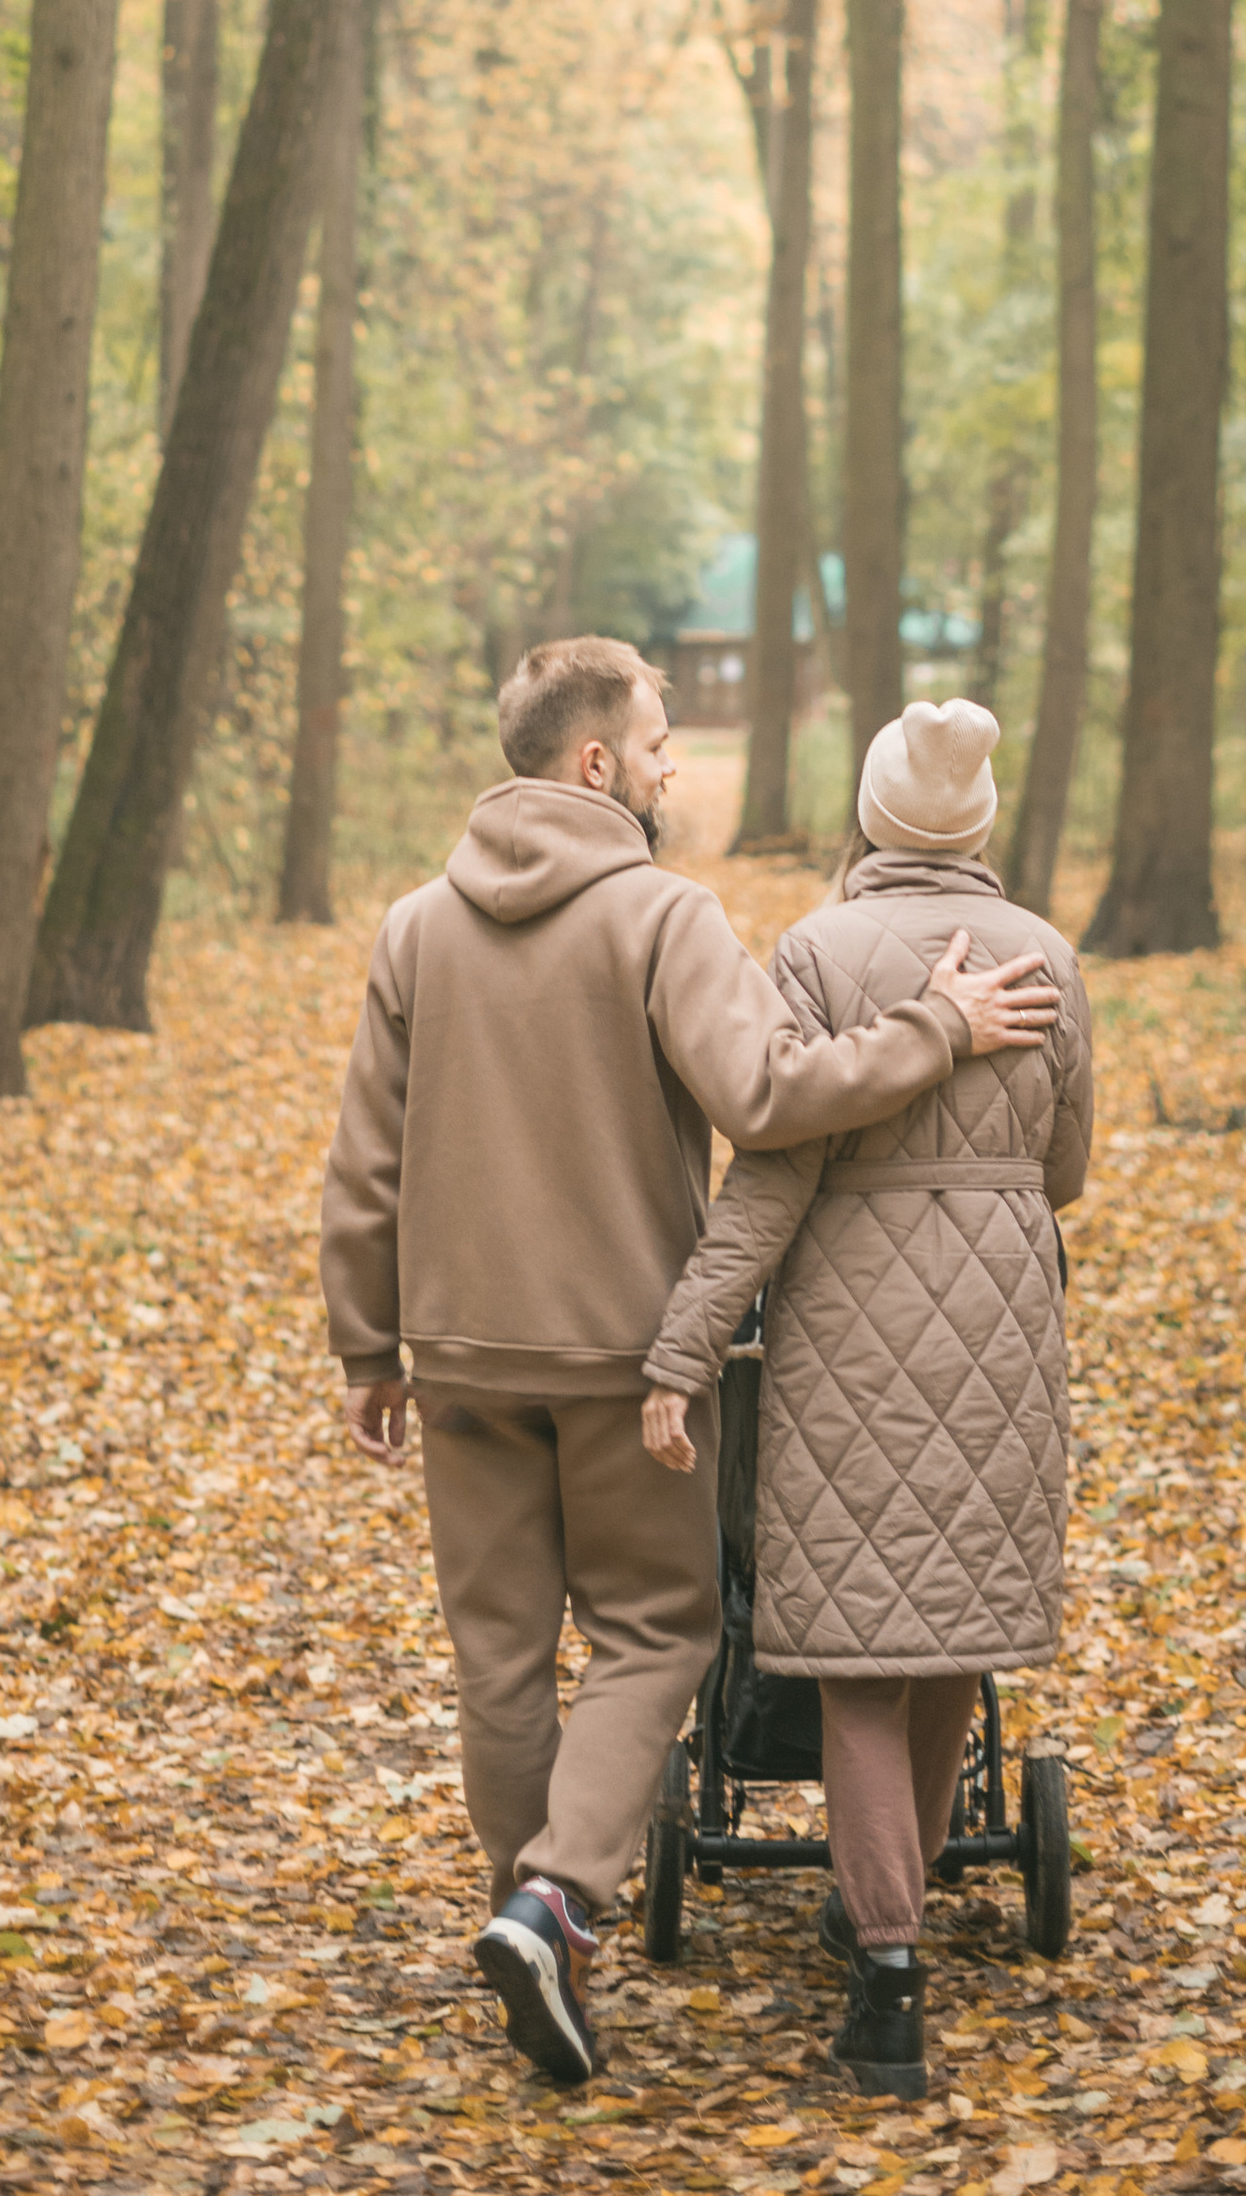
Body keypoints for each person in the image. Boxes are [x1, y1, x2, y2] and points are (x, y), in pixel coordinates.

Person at [317, 638, 1063, 2091]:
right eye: (658, 745)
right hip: (617, 1350)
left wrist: (367, 1341)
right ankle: (555, 1901)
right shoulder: (660, 917)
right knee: (660, 1633)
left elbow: (364, 1161)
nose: (670, 769)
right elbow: (773, 1099)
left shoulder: (417, 927)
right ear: (596, 762)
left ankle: (530, 1925)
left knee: (499, 1658)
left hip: (460, 1346)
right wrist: (940, 1026)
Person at [641, 696, 1092, 2102]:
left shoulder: (820, 954)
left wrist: (686, 1345)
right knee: (950, 1628)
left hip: (850, 1326)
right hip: (1007, 1321)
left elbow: (773, 1170)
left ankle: (886, 1963)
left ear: (871, 815)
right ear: (976, 825)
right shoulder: (1051, 960)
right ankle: (893, 1891)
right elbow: (1068, 1168)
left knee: (857, 1650)